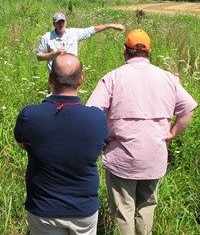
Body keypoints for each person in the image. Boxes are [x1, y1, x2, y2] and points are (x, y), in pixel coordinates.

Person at [86, 29, 198, 235]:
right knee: (147, 206)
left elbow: (92, 111)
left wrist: (105, 134)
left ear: (124, 51)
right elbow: (188, 109)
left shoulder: (112, 78)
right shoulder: (167, 78)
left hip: (122, 156)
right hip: (153, 156)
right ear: (149, 52)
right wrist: (172, 133)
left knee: (123, 210)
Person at [14, 53, 109, 235]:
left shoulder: (29, 115)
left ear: (50, 78)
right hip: (83, 209)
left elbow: (22, 144)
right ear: (81, 80)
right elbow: (100, 147)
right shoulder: (97, 118)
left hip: (43, 207)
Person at [37, 12, 125, 71]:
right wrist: (55, 53)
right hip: (55, 76)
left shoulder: (73, 33)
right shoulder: (47, 37)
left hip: (72, 74)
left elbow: (91, 30)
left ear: (66, 22)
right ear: (54, 24)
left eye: (63, 22)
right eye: (58, 22)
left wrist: (110, 25)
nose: (61, 25)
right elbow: (39, 57)